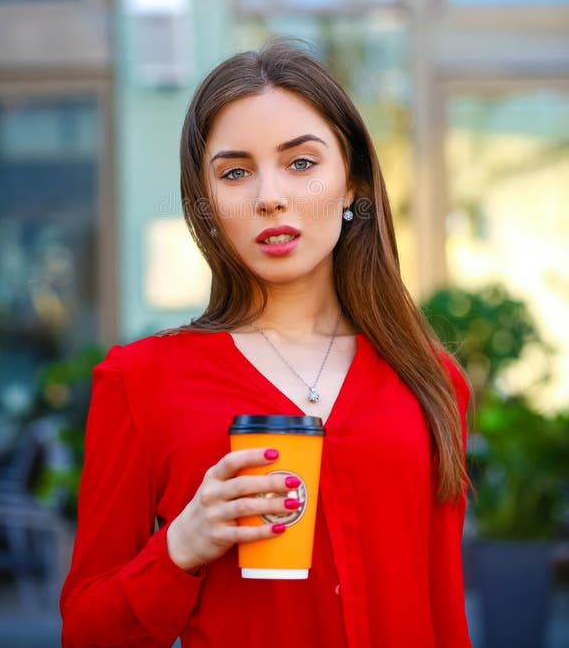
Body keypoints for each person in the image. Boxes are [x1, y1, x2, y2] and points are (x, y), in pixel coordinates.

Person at [60, 40, 473, 648]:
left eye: (301, 163)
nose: (269, 196)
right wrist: (180, 548)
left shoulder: (430, 380)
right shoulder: (141, 381)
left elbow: (444, 614)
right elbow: (87, 632)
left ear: (353, 183)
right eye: (235, 172)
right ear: (205, 204)